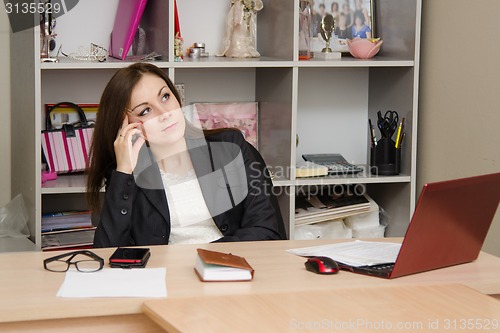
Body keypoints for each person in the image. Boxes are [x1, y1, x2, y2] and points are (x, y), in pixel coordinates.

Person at [86, 63, 285, 247]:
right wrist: (123, 172)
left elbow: (266, 231)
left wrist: (200, 258)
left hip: (231, 273)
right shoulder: (127, 175)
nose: (164, 113)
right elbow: (109, 253)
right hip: (167, 281)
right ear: (126, 125)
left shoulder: (231, 147)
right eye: (146, 110)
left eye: (165, 97)